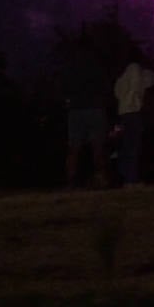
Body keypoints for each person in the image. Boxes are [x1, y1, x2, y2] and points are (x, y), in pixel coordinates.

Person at [60, 31, 114, 189]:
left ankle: (71, 181)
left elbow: (63, 87)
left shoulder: (70, 65)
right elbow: (106, 87)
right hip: (95, 108)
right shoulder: (97, 64)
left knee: (74, 147)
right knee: (97, 146)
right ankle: (101, 179)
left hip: (76, 109)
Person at [114, 58, 154, 187]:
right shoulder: (135, 69)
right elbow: (137, 88)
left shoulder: (121, 75)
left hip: (124, 111)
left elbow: (117, 93)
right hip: (133, 111)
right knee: (133, 145)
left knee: (127, 145)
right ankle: (131, 178)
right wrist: (138, 103)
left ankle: (125, 176)